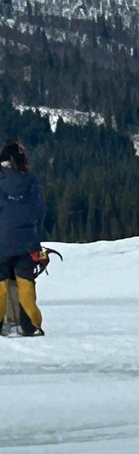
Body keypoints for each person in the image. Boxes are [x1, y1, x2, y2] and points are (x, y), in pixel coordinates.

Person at [0, 139, 46, 337]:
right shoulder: (31, 180)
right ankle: (31, 325)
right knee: (26, 284)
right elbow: (40, 210)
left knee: (1, 286)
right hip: (27, 243)